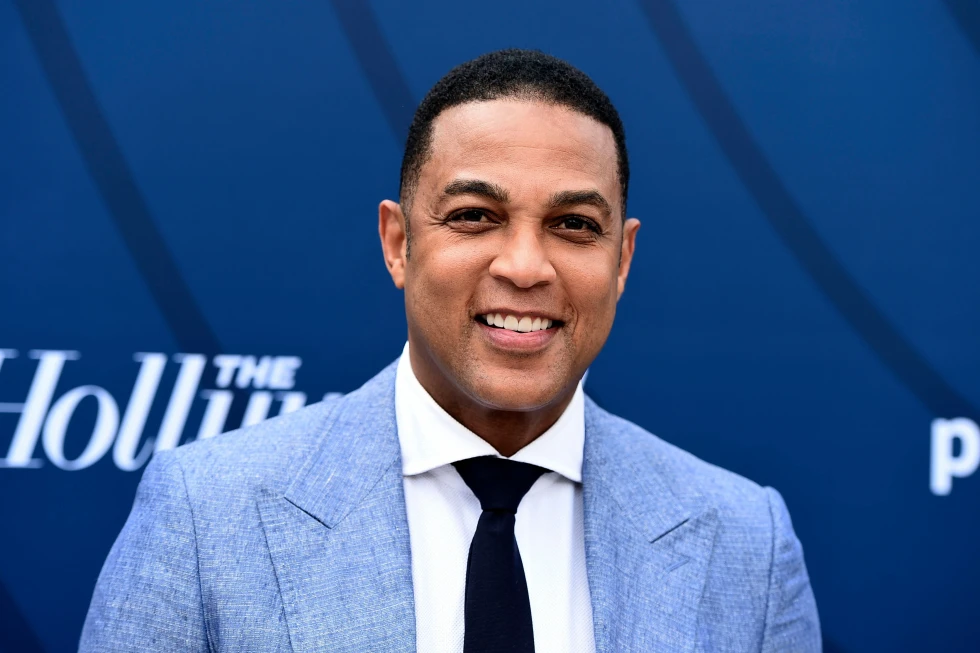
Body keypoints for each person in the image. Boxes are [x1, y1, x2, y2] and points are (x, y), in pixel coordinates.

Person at [81, 49, 820, 652]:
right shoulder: (205, 515)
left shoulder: (747, 545)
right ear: (398, 243)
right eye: (474, 216)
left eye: (573, 225)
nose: (525, 266)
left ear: (622, 260)